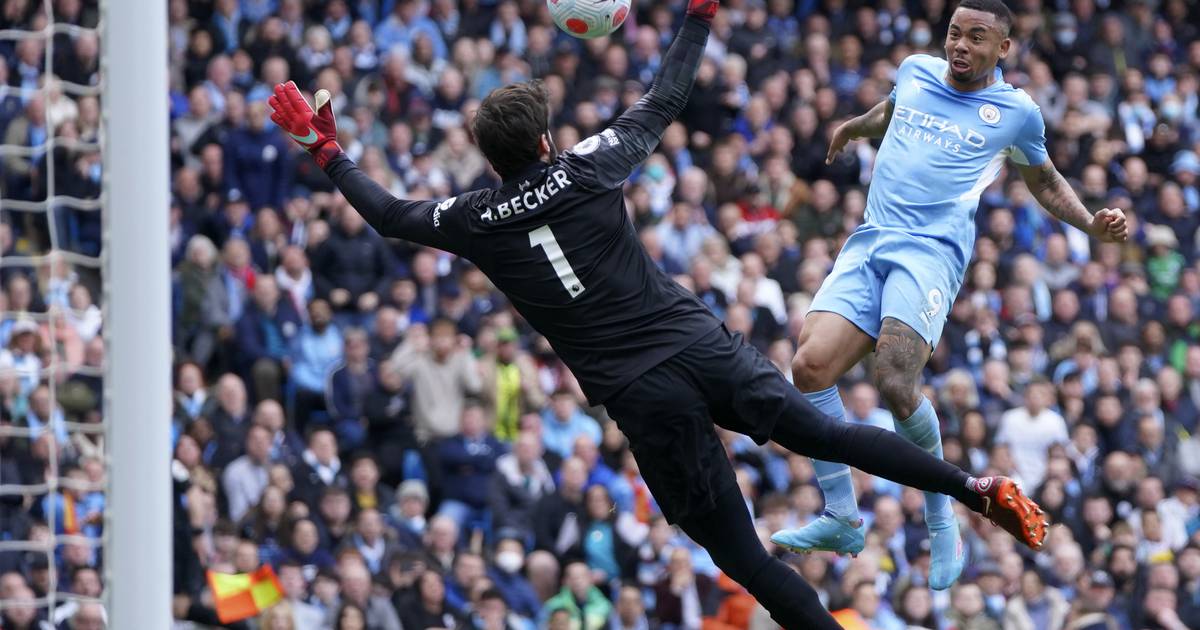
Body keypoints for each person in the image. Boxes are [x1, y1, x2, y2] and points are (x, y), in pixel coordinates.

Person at [269, 1, 1046, 624]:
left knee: (745, 561)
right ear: (544, 138)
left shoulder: (470, 218)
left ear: (491, 158)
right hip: (698, 345)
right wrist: (699, 14)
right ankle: (971, 488)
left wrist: (327, 152)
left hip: (640, 396)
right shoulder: (587, 167)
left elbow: (391, 214)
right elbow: (664, 97)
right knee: (831, 433)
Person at [772, 0, 1127, 591]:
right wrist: (856, 126)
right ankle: (841, 515)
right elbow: (894, 111)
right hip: (870, 240)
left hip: (931, 253)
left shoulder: (1015, 113)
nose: (960, 46)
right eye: (954, 34)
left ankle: (943, 513)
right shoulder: (915, 69)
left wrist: (1091, 224)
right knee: (808, 368)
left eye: (976, 37)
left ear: (1003, 48)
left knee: (893, 380)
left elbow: (1043, 179)